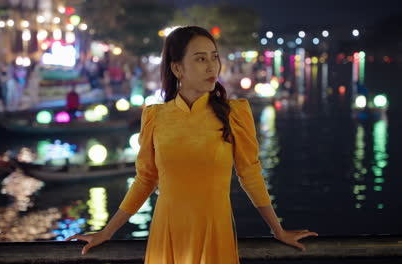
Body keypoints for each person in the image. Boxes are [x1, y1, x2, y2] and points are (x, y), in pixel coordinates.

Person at [65, 26, 318, 262]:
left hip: (215, 235)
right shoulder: (155, 117)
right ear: (178, 69)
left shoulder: (235, 114)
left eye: (214, 57)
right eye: (200, 58)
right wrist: (107, 232)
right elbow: (145, 179)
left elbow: (250, 174)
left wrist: (278, 230)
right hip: (167, 235)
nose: (212, 67)